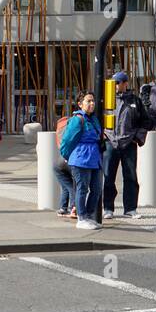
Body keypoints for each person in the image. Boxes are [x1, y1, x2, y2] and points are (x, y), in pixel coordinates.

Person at [103, 71, 148, 220]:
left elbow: (145, 121)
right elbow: (98, 119)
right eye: (114, 83)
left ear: (125, 84)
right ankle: (108, 207)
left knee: (130, 176)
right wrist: (102, 135)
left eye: (119, 83)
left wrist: (137, 138)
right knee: (108, 176)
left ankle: (130, 208)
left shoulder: (135, 100)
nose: (116, 86)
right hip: (110, 142)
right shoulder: (106, 100)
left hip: (129, 143)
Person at [59, 91, 104, 231]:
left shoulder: (94, 119)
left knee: (96, 189)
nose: (92, 104)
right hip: (81, 158)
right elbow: (67, 140)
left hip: (94, 158)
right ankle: (82, 217)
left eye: (93, 101)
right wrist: (66, 156)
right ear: (80, 104)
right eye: (88, 101)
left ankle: (89, 216)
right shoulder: (78, 119)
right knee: (82, 189)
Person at [53, 113, 77, 219]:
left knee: (66, 187)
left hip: (58, 163)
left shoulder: (60, 129)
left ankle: (63, 209)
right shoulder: (73, 127)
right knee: (73, 187)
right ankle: (73, 209)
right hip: (69, 160)